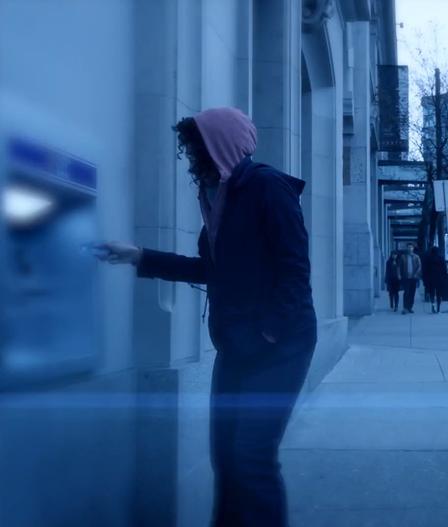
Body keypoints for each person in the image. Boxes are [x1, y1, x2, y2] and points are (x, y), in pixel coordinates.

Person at [94, 107, 316, 527]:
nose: (193, 160)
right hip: (236, 346)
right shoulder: (219, 199)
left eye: (199, 149)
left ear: (223, 147)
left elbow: (295, 270)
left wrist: (267, 333)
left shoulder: (267, 187)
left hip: (281, 346)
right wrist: (139, 256)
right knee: (227, 459)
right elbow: (209, 270)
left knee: (251, 458)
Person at [397, 242, 421, 314]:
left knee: (412, 293)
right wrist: (399, 275)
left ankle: (410, 307)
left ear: (413, 248)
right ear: (406, 248)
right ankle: (405, 308)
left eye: (411, 247)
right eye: (408, 247)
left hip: (413, 278)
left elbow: (419, 267)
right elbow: (399, 267)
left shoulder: (416, 257)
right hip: (405, 277)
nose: (410, 248)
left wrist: (416, 274)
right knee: (406, 292)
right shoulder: (403, 257)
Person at [425, 246, 448, 314]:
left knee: (432, 292)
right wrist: (444, 278)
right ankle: (438, 309)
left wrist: (426, 279)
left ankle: (433, 304)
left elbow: (426, 270)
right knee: (439, 294)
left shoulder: (428, 258)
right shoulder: (441, 258)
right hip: (439, 279)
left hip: (431, 279)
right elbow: (444, 269)